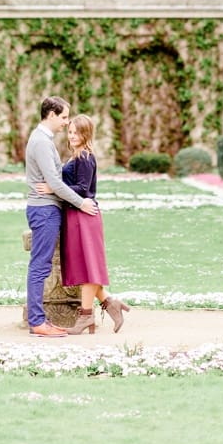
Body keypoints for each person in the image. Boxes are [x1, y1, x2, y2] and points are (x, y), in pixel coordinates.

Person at [24, 95, 98, 338]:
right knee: (40, 267)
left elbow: (55, 181)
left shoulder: (43, 139)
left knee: (42, 265)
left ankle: (41, 320)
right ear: (52, 115)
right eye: (64, 117)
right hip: (44, 210)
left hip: (48, 208)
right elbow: (54, 181)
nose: (67, 123)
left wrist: (55, 187)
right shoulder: (42, 142)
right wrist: (81, 202)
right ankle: (37, 322)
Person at [55, 114, 130, 334]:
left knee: (88, 269)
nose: (72, 136)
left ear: (86, 134)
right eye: (70, 132)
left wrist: (54, 188)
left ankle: (86, 316)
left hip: (84, 217)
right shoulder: (75, 156)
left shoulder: (85, 157)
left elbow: (83, 188)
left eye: (77, 132)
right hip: (76, 216)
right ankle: (109, 303)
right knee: (84, 267)